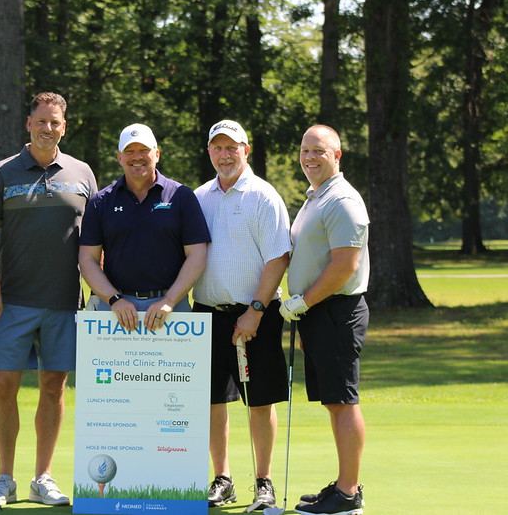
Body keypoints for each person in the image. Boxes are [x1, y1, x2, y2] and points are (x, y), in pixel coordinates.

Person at [0, 92, 97, 508]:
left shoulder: (82, 173)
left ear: (64, 126)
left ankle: (42, 477)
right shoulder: (1, 172)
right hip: (13, 302)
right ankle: (4, 478)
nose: (48, 128)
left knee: (54, 386)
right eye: (41, 121)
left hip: (65, 302)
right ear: (28, 124)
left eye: (55, 122)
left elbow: (96, 241)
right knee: (5, 385)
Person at [191, 120, 291, 510]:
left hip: (256, 314)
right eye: (217, 147)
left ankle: (263, 482)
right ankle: (223, 478)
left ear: (245, 150)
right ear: (209, 152)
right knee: (213, 400)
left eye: (232, 147)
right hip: (208, 313)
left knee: (259, 400)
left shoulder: (263, 196)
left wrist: (255, 311)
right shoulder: (199, 197)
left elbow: (278, 258)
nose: (225, 155)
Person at [280, 125, 369, 515]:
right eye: (305, 150)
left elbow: (344, 266)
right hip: (318, 313)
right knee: (334, 402)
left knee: (343, 401)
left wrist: (303, 302)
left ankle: (348, 494)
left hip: (336, 311)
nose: (309, 157)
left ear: (337, 155)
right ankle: (343, 485)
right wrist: (306, 314)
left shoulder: (343, 200)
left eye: (318, 150)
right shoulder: (317, 197)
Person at [79, 123, 210, 329]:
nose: (137, 156)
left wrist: (170, 300)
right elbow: (87, 259)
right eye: (129, 151)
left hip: (171, 307)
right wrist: (114, 299)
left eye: (143, 150)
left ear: (157, 154)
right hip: (115, 308)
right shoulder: (101, 202)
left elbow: (197, 254)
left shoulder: (181, 196)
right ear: (119, 157)